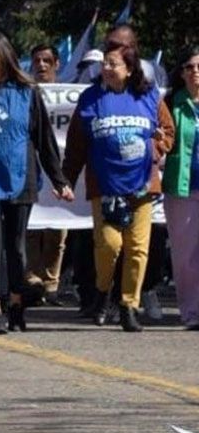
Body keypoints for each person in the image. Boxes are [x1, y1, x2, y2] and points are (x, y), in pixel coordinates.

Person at [0, 30, 73, 334]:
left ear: (7, 60)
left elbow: (44, 139)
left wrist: (59, 180)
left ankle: (17, 302)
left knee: (16, 246)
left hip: (22, 177)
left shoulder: (27, 91)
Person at [63, 41, 174, 332]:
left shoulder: (148, 96)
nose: (106, 68)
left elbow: (168, 131)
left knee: (138, 249)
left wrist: (157, 146)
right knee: (110, 245)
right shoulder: (90, 99)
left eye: (113, 64)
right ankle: (102, 291)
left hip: (142, 186)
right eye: (105, 63)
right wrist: (66, 179)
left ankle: (128, 305)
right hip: (105, 185)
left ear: (129, 69)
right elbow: (76, 143)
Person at [23, 43, 70, 307]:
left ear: (57, 64)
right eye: (37, 60)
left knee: (57, 232)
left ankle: (51, 283)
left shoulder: (68, 93)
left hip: (59, 172)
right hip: (31, 171)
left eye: (47, 61)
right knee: (30, 231)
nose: (41, 65)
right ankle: (31, 280)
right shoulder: (26, 92)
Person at [161, 47, 199, 329]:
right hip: (182, 188)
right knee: (185, 255)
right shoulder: (172, 101)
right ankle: (191, 311)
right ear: (182, 73)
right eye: (189, 67)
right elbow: (161, 138)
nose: (195, 72)